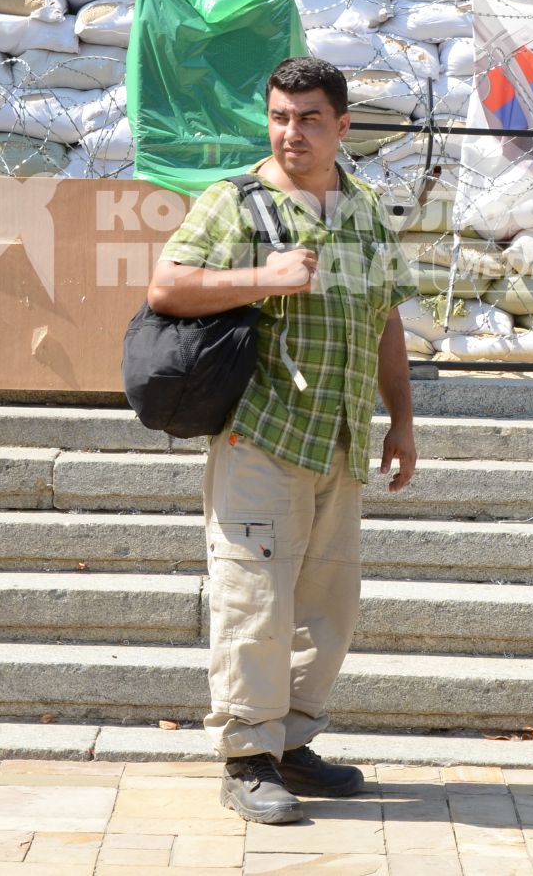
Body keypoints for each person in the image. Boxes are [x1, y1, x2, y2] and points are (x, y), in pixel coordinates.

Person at [147, 56, 418, 824]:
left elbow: (387, 319)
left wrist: (400, 419)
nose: (290, 131)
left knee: (326, 604)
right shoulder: (237, 202)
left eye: (307, 118)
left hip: (338, 434)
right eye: (278, 116)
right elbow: (165, 285)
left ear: (341, 125)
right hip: (260, 434)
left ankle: (293, 742)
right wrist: (260, 278)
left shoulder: (363, 208)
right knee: (254, 597)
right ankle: (246, 755)